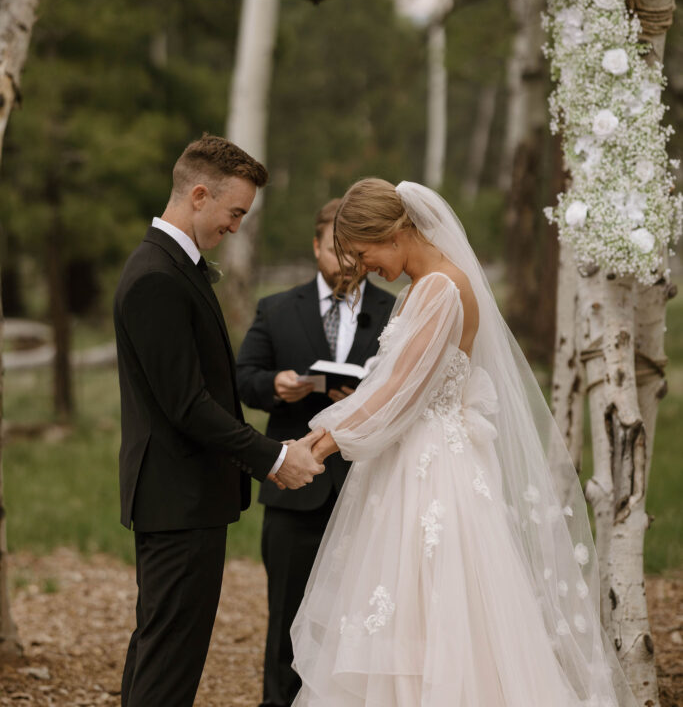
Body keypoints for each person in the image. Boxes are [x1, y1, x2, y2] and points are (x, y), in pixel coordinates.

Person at [291, 178, 638, 707]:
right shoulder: (421, 287)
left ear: (393, 230)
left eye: (363, 254)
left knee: (429, 618)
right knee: (412, 622)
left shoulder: (438, 288)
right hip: (413, 464)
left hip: (429, 475)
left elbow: (396, 394)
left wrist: (317, 445)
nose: (363, 269)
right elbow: (388, 388)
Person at [113, 135, 324, 707]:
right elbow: (187, 404)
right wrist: (273, 455)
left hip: (185, 497)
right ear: (199, 195)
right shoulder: (157, 275)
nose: (236, 227)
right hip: (176, 498)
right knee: (168, 664)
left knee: (160, 650)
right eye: (235, 213)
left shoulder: (173, 266)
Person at [237, 198, 395, 707]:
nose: (345, 263)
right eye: (335, 249)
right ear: (316, 246)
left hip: (370, 487)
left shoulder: (397, 310)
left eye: (353, 252)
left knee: (366, 616)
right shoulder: (277, 308)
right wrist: (275, 385)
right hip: (294, 490)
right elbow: (243, 378)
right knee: (287, 615)